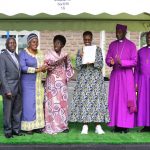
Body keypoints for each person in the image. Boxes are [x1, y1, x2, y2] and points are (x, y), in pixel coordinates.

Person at [69, 31, 109, 134]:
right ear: (83, 39)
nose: (87, 41)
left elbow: (100, 65)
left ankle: (98, 126)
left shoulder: (98, 50)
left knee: (97, 102)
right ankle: (85, 125)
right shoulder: (80, 50)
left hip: (95, 79)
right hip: (84, 79)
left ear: (91, 39)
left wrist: (93, 60)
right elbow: (77, 66)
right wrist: (81, 57)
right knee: (84, 101)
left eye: (89, 39)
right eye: (85, 39)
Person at [106, 24, 137, 133]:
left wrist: (122, 62)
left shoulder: (131, 45)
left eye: (120, 31)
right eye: (117, 31)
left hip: (127, 76)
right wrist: (111, 61)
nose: (118, 33)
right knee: (115, 99)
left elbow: (134, 61)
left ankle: (125, 126)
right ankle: (116, 125)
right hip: (115, 76)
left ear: (125, 32)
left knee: (125, 100)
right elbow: (108, 58)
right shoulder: (112, 45)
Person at [44, 35, 74, 134]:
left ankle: (63, 126)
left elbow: (69, 68)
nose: (56, 45)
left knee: (62, 104)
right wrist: (49, 66)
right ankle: (51, 126)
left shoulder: (65, 54)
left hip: (61, 83)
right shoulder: (48, 54)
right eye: (55, 42)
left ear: (62, 45)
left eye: (58, 43)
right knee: (52, 104)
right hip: (51, 83)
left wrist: (65, 65)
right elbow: (44, 67)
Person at [19, 33, 46, 134]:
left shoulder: (40, 53)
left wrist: (44, 70)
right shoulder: (23, 53)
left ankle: (38, 126)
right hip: (27, 84)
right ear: (29, 43)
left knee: (38, 103)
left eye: (37, 42)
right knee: (28, 104)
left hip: (38, 83)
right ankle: (28, 127)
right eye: (34, 42)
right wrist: (38, 70)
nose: (36, 44)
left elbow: (43, 67)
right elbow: (23, 68)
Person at [0, 37, 22, 138]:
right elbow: (2, 75)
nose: (12, 44)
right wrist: (7, 90)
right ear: (6, 45)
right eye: (10, 43)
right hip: (8, 88)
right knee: (8, 112)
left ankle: (16, 130)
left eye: (14, 43)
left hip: (18, 88)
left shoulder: (17, 56)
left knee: (17, 110)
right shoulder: (2, 56)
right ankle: (8, 131)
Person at [135, 31, 150, 132]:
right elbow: (136, 69)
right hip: (143, 81)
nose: (149, 39)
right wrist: (135, 82)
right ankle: (145, 125)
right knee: (144, 103)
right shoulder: (140, 51)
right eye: (148, 37)